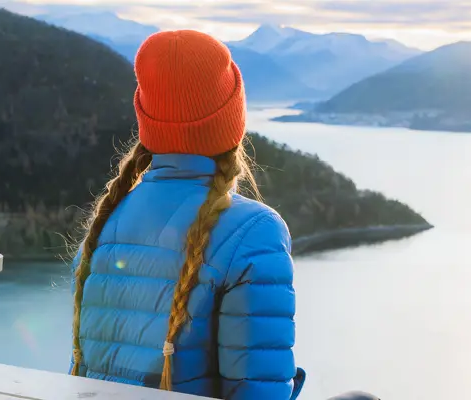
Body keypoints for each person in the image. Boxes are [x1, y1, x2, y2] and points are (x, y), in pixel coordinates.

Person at [68, 30, 306, 399]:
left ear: (149, 123)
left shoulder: (104, 225)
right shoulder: (255, 232)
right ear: (232, 123)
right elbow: (257, 391)